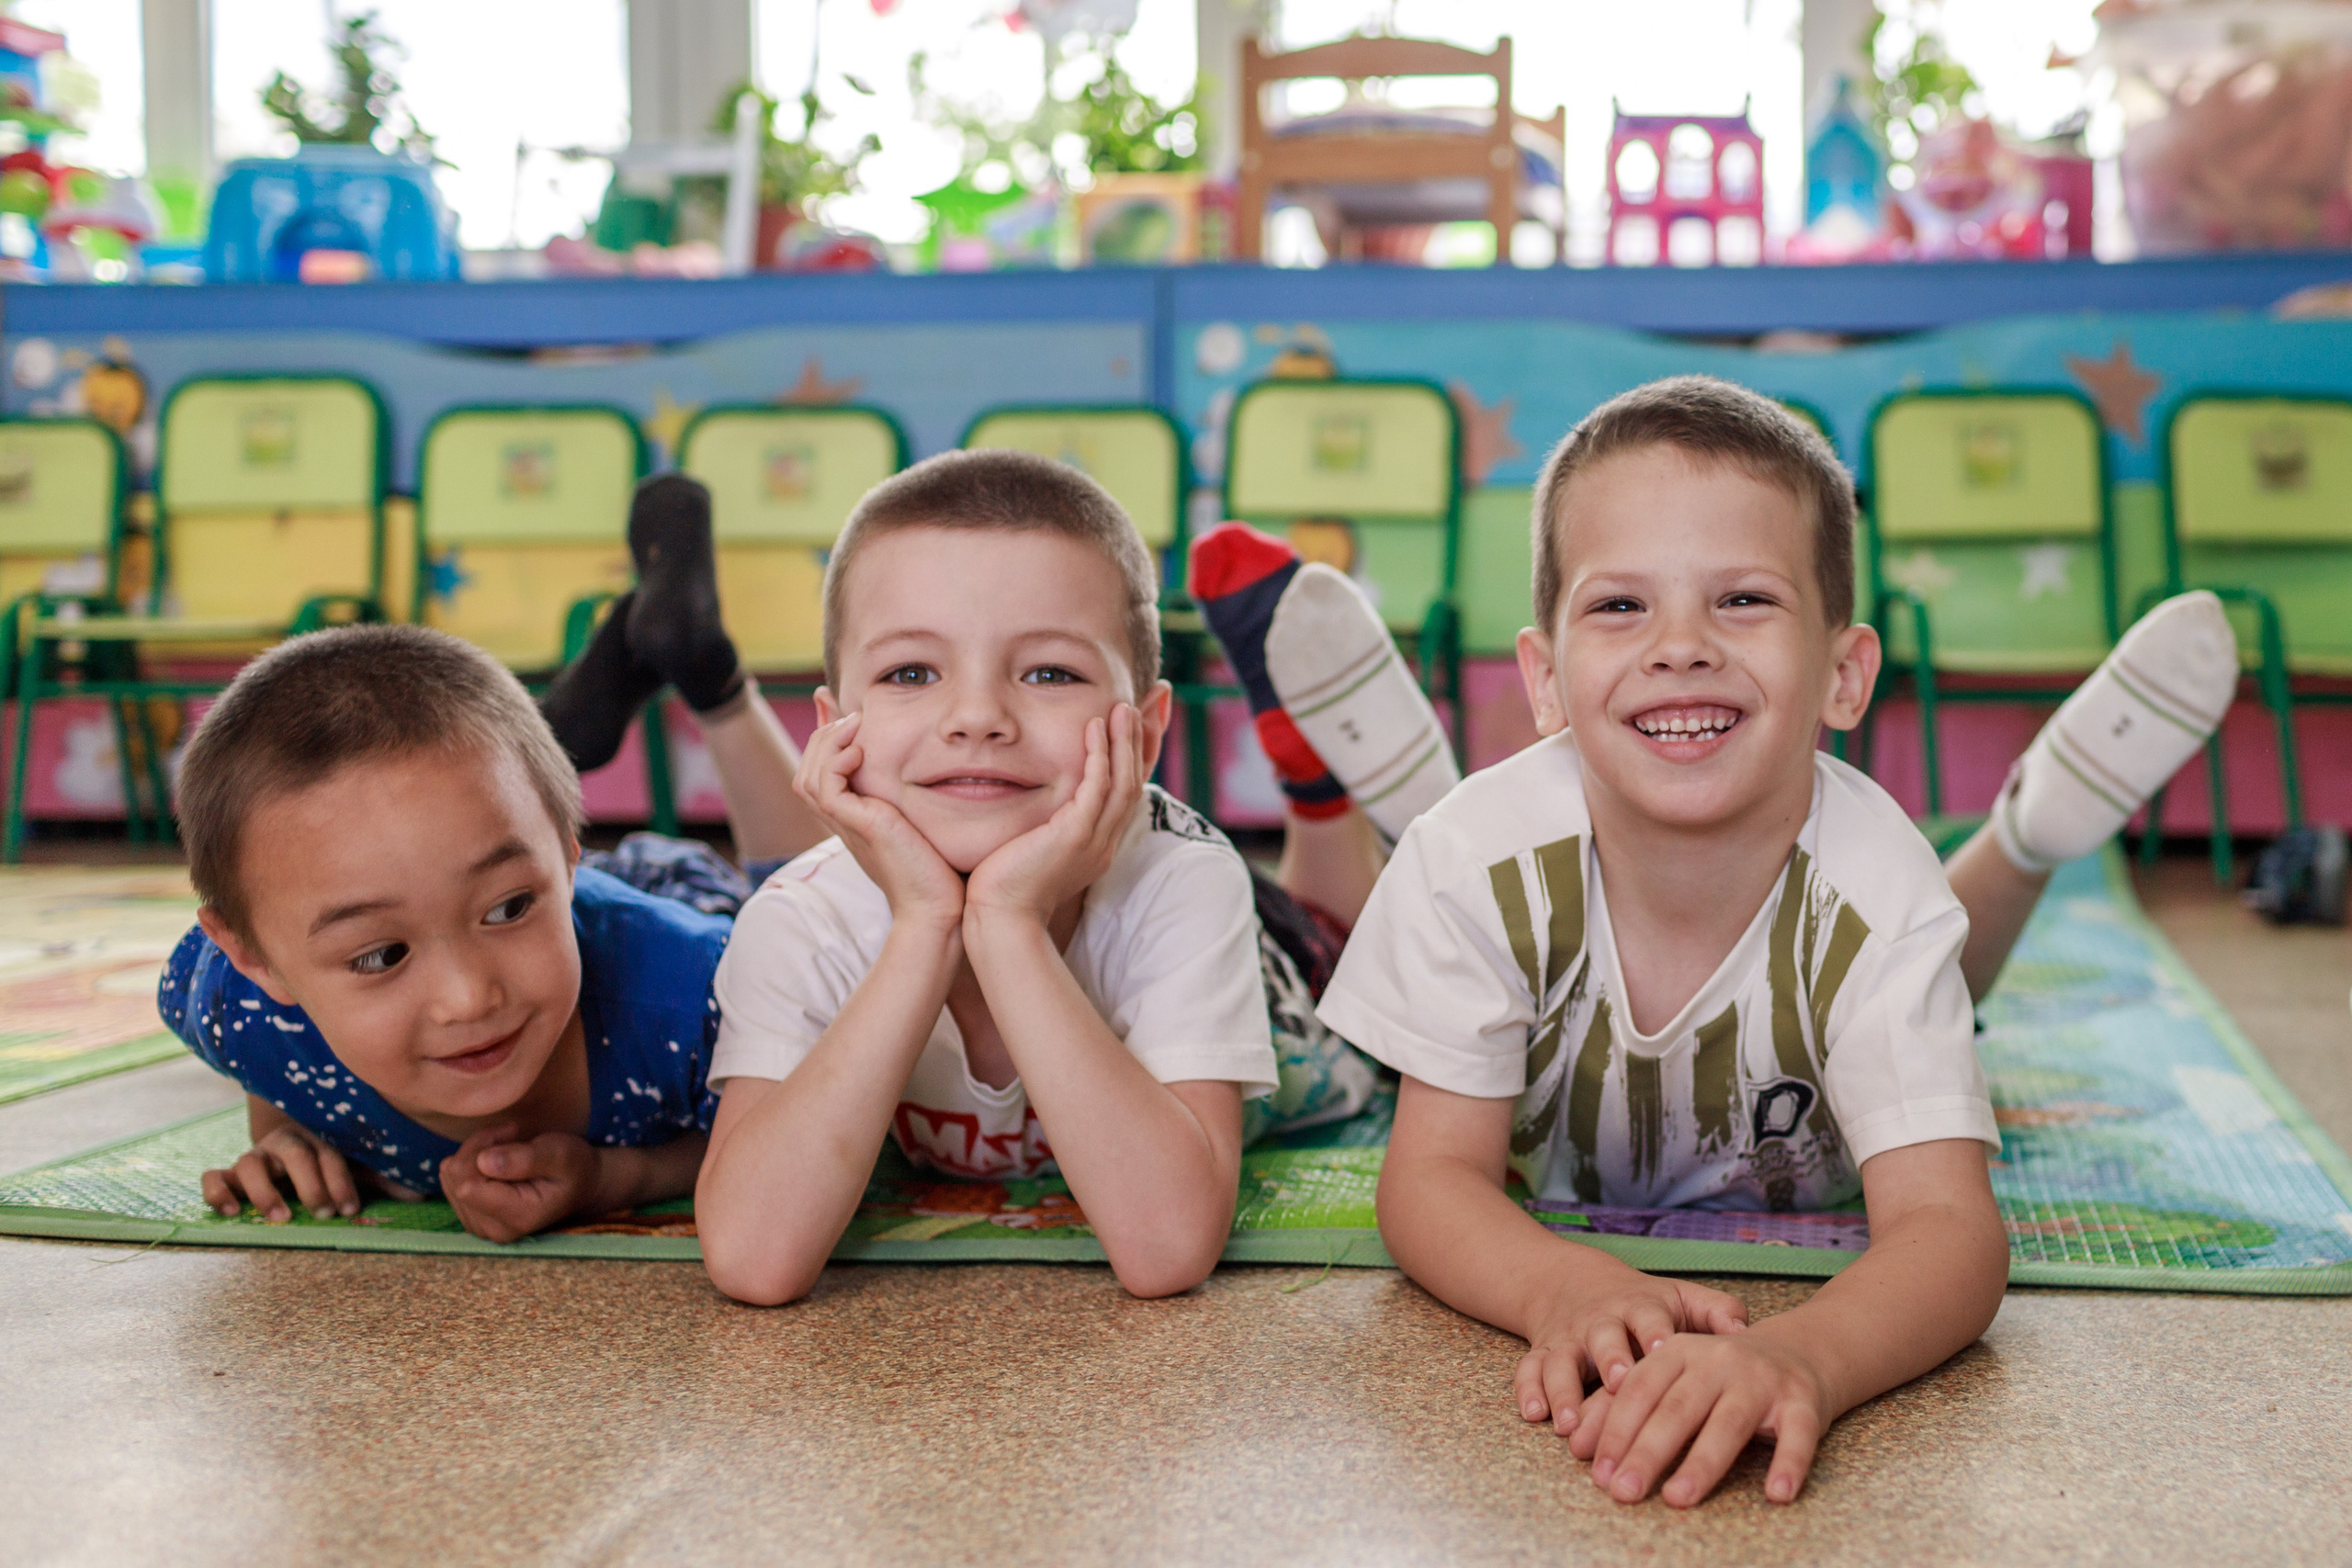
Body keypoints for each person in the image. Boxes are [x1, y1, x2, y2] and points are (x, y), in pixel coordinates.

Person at [1204, 375, 2237, 1508]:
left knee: (1945, 962)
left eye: (1742, 600)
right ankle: (1413, 795)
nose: (1680, 646)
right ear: (1542, 681)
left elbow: (1947, 1230)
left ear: (1842, 675)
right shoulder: (1477, 867)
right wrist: (1556, 1289)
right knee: (1458, 848)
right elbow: (1431, 1179)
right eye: (1618, 608)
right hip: (1490, 860)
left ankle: (2032, 832)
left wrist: (1805, 1356)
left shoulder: (1878, 889)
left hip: (1844, 1034)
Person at [690, 450, 1411, 1305]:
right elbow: (752, 1258)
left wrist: (1004, 921)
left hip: (1284, 984)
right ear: (833, 727)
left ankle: (1322, 790)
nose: (977, 718)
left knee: (1351, 951)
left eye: (1049, 672)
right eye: (911, 673)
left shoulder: (1182, 883)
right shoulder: (799, 917)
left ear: (1143, 737)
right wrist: (926, 924)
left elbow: (1168, 1247)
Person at [164, 477, 829, 1241]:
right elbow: (265, 1046)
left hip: (661, 902)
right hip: (538, 863)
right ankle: (559, 739)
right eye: (380, 954)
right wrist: (284, 1132)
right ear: (255, 959)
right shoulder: (229, 996)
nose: (468, 999)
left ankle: (709, 678)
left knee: (828, 916)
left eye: (509, 909)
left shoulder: (699, 994)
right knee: (471, 842)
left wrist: (613, 1176)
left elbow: (823, 1124)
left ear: (569, 853)